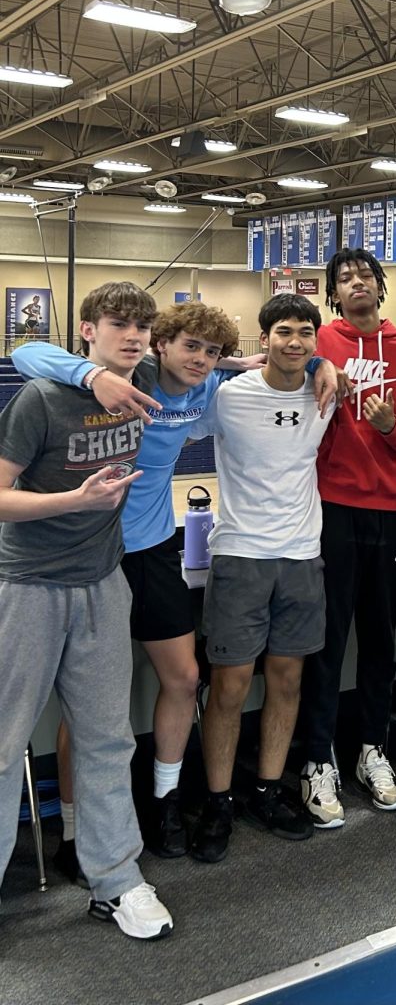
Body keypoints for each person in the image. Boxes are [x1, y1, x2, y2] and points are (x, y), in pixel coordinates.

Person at [13, 303, 339, 870]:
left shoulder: (209, 391)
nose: (202, 360)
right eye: (189, 347)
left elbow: (275, 371)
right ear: (160, 346)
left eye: (211, 353)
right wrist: (93, 374)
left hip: (156, 547)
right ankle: (72, 827)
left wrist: (320, 364)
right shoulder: (123, 378)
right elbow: (25, 352)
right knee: (86, 704)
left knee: (186, 679)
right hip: (97, 554)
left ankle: (165, 801)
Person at [0, 281, 174, 940]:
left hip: (103, 585)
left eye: (141, 326)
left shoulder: (145, 379)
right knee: (1, 744)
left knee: (108, 739)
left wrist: (323, 362)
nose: (132, 336)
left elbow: (211, 357)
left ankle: (117, 881)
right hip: (27, 587)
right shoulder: (43, 398)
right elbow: (23, 351)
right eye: (116, 324)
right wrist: (71, 502)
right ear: (88, 330)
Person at [188, 294, 335, 863]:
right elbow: (177, 389)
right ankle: (219, 801)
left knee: (287, 681)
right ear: (264, 338)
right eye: (283, 331)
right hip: (241, 556)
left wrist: (329, 369)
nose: (294, 341)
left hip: (301, 557)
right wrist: (223, 362)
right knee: (227, 687)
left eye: (304, 333)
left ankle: (268, 790)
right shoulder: (230, 396)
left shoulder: (325, 390)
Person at [298, 248, 396, 828]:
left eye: (365, 276)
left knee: (380, 637)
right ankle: (316, 757)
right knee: (327, 638)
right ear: (333, 294)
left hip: (392, 509)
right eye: (344, 279)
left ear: (381, 287)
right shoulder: (317, 342)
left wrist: (391, 427)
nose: (356, 284)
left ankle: (371, 749)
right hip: (332, 507)